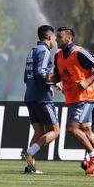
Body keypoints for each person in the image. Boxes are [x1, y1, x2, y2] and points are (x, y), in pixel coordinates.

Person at [46, 26, 94, 176]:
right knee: (87, 132)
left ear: (69, 38)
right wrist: (52, 79)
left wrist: (88, 81)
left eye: (60, 37)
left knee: (72, 129)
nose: (56, 40)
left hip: (85, 97)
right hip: (73, 98)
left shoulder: (79, 52)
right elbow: (59, 77)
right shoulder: (58, 56)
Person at [21, 25, 60, 174]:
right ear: (49, 37)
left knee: (38, 132)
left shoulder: (32, 51)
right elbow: (40, 72)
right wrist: (54, 83)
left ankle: (30, 166)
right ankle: (29, 152)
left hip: (30, 95)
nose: (55, 41)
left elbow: (26, 77)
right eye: (55, 38)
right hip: (42, 98)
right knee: (55, 131)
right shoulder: (44, 51)